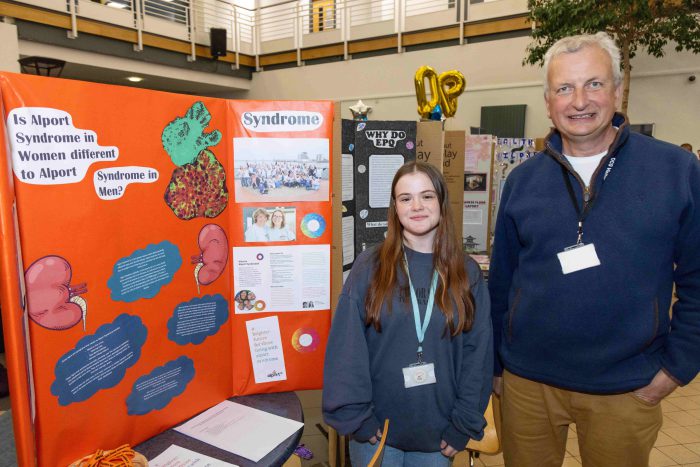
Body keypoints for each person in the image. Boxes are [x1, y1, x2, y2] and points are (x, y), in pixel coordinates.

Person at [489, 32, 700, 467]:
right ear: (548, 102)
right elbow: (502, 282)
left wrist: (676, 369)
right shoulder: (522, 181)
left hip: (625, 388)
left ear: (618, 92)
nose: (579, 100)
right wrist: (497, 367)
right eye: (564, 88)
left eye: (594, 84)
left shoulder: (675, 170)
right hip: (529, 385)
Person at [323, 161, 492, 466]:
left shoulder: (465, 272)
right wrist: (357, 418)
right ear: (395, 207)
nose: (416, 206)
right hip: (376, 433)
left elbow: (477, 354)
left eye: (426, 196)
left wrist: (463, 425)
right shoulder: (369, 266)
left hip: (438, 437)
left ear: (441, 201)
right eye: (405, 198)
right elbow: (346, 349)